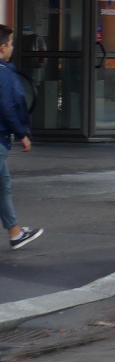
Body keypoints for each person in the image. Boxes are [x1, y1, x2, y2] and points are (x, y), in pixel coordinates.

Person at [0, 25, 42, 250]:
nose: (13, 48)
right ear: (2, 47)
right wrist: (22, 134)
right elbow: (6, 106)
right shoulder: (3, 72)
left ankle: (15, 233)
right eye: (11, 44)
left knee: (3, 186)